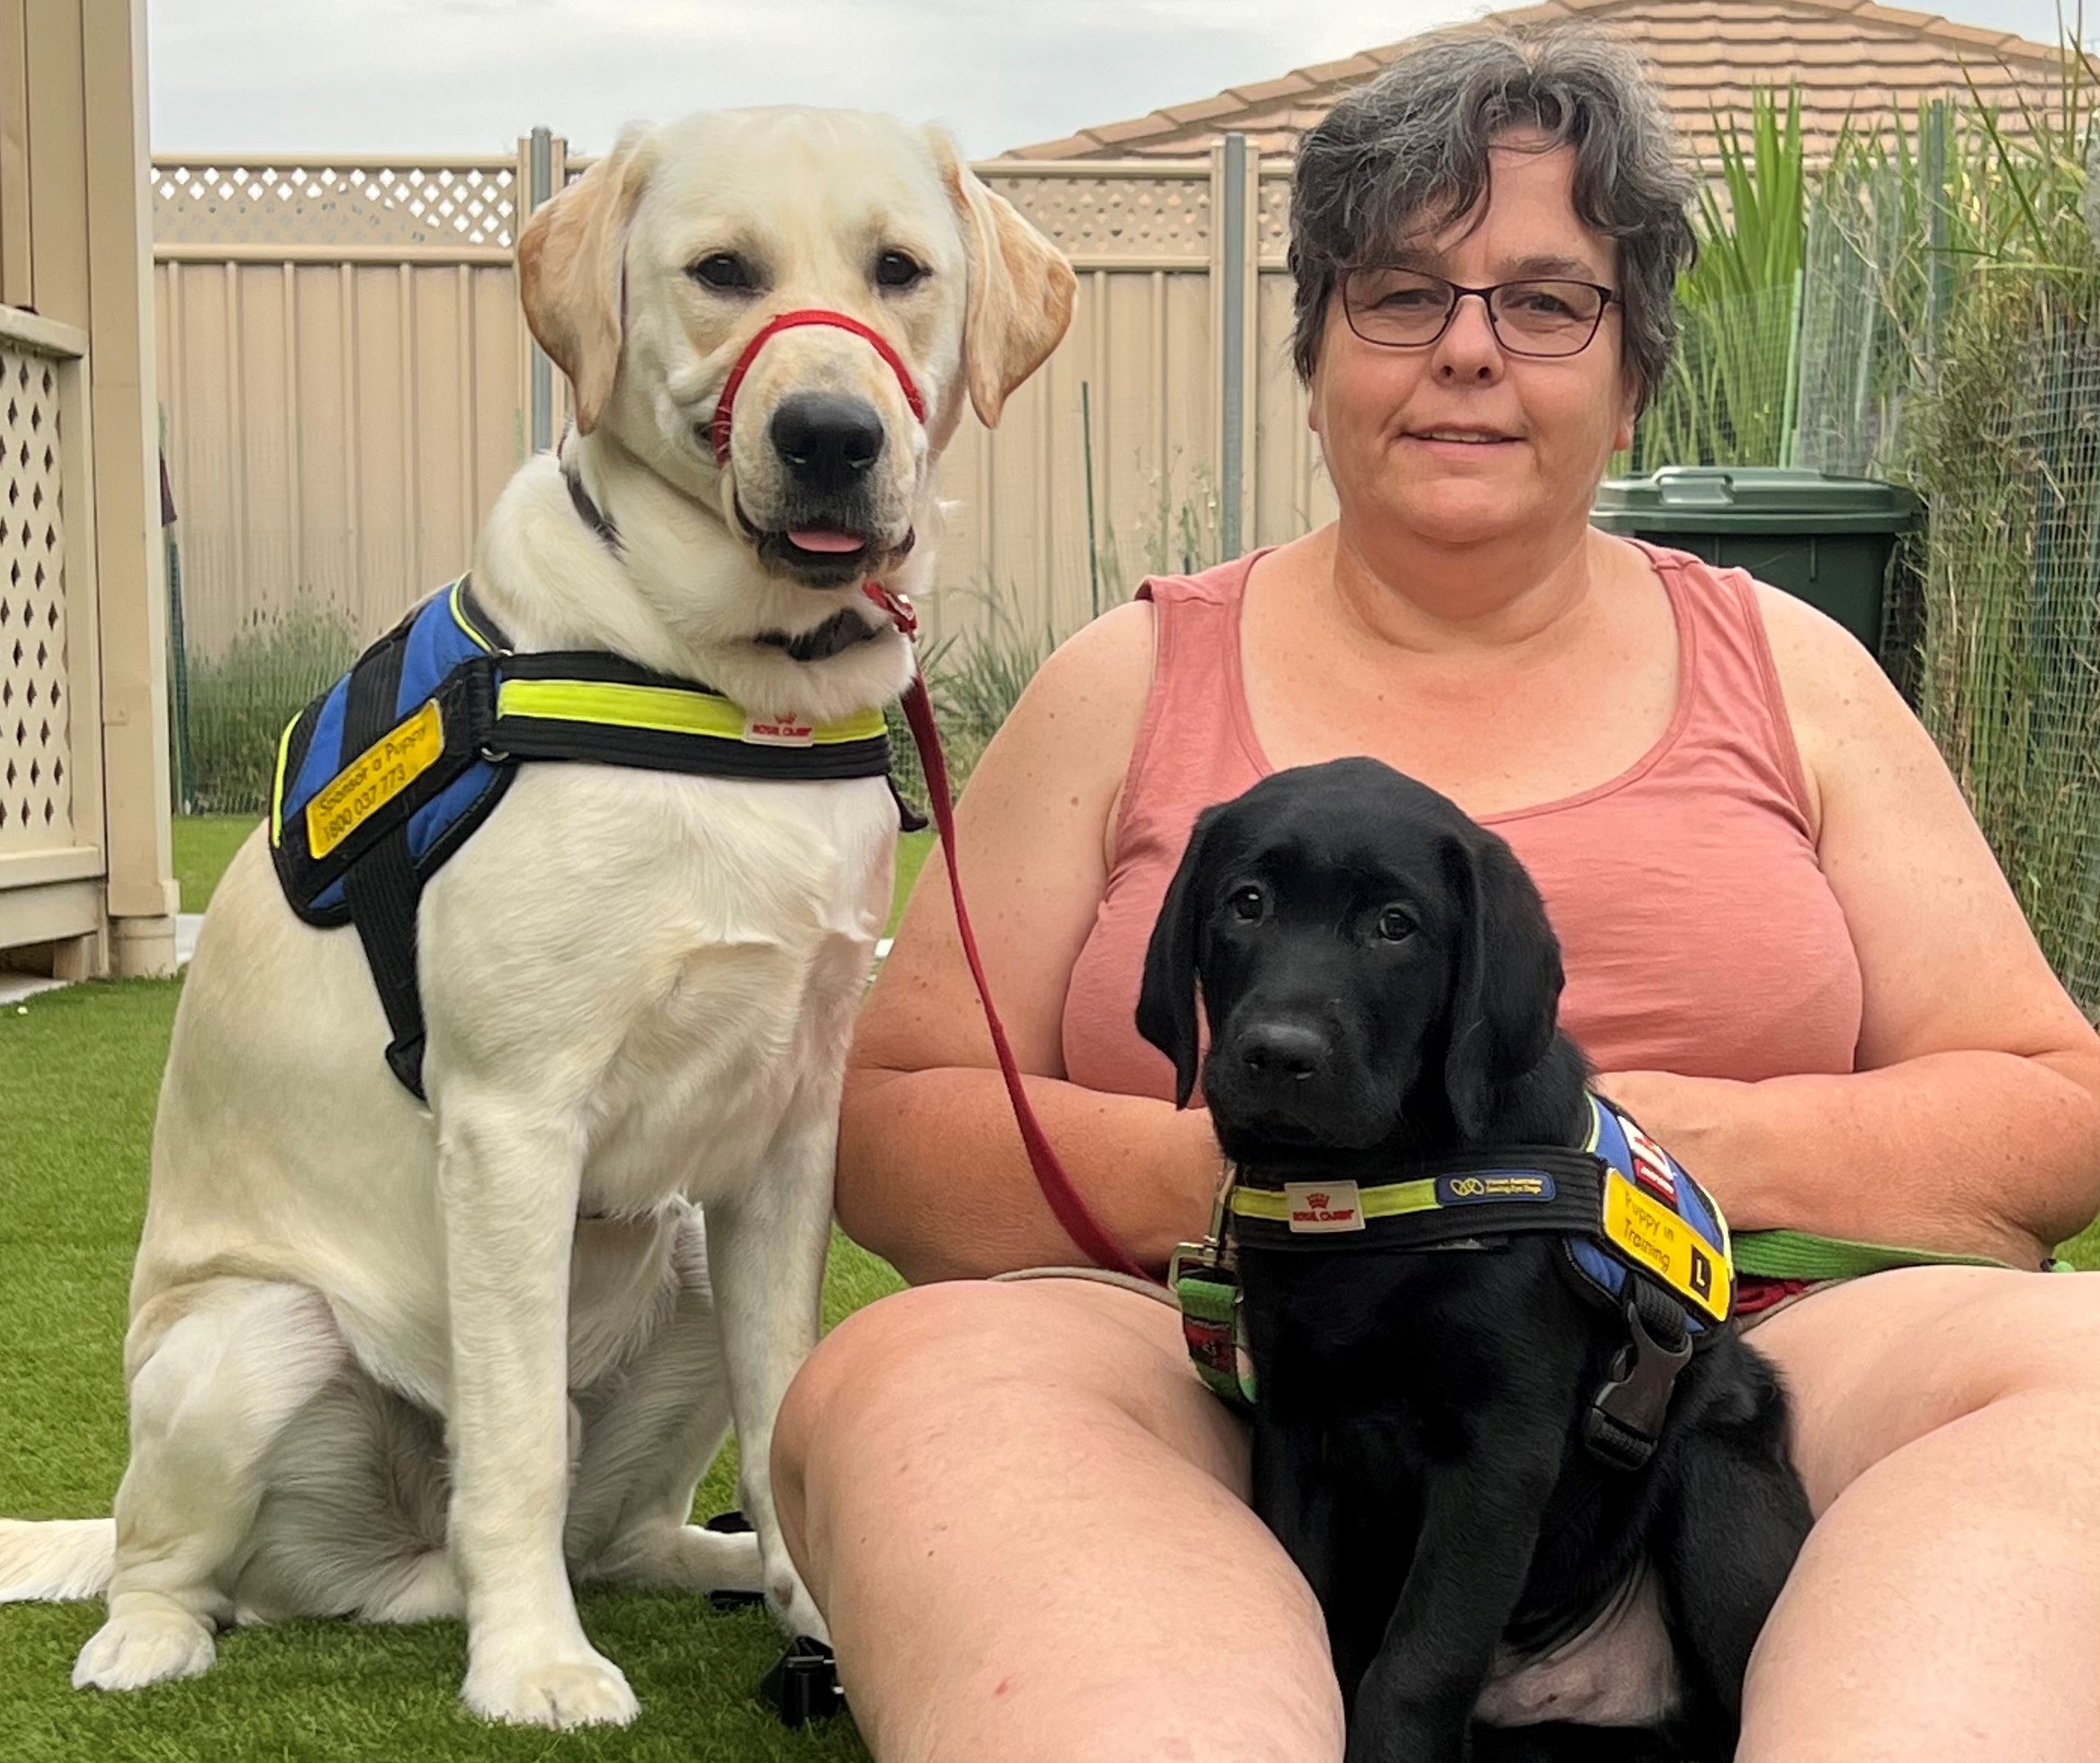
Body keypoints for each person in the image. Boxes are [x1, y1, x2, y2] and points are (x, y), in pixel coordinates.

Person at [771, 26, 2100, 1762]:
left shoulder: (1794, 670)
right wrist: (1287, 1189)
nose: (1468, 352)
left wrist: (1604, 1170)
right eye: (1402, 293)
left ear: (1631, 374)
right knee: (931, 1388)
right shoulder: (1125, 679)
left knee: (2072, 1393)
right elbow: (899, 1124)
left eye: (1547, 302)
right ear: (1313, 348)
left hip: (1734, 1352)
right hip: (1219, 1357)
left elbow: (2050, 1106)